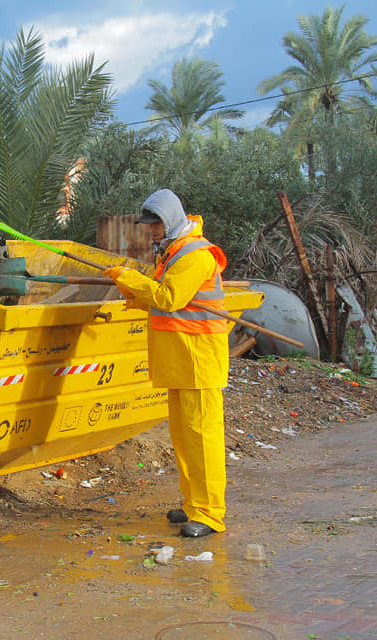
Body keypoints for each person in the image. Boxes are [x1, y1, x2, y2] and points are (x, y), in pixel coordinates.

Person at [103, 189, 229, 538]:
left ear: (171, 219)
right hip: (180, 359)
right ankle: (193, 505)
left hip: (198, 360)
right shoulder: (173, 253)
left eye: (155, 224)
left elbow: (168, 297)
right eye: (148, 225)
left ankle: (210, 514)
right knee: (185, 438)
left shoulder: (195, 255)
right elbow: (163, 301)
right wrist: (132, 294)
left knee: (203, 440)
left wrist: (126, 278)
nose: (151, 230)